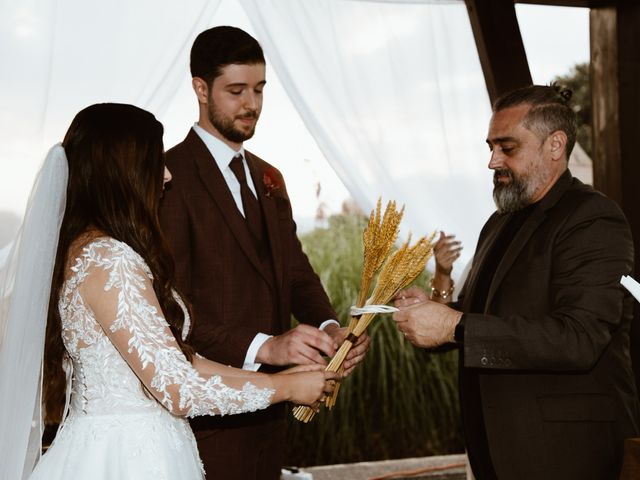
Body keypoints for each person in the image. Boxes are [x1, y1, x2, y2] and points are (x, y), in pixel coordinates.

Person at [0, 103, 339, 480]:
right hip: (125, 460)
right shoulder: (109, 260)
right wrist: (284, 388)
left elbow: (181, 363)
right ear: (123, 171)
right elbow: (177, 389)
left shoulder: (90, 249)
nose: (165, 175)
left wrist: (287, 377)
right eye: (155, 161)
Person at [393, 85, 640, 480]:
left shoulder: (593, 219)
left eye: (507, 148)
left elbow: (578, 338)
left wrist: (451, 324)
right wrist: (436, 310)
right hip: (497, 451)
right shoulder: (499, 222)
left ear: (555, 146)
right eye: (490, 146)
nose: (492, 161)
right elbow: (482, 319)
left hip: (566, 458)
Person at [159, 26, 369, 479]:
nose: (251, 104)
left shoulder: (269, 176)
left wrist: (330, 329)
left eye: (258, 89)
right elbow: (170, 308)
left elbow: (295, 270)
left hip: (273, 422)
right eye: (236, 91)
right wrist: (266, 347)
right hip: (205, 421)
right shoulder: (168, 177)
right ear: (200, 88)